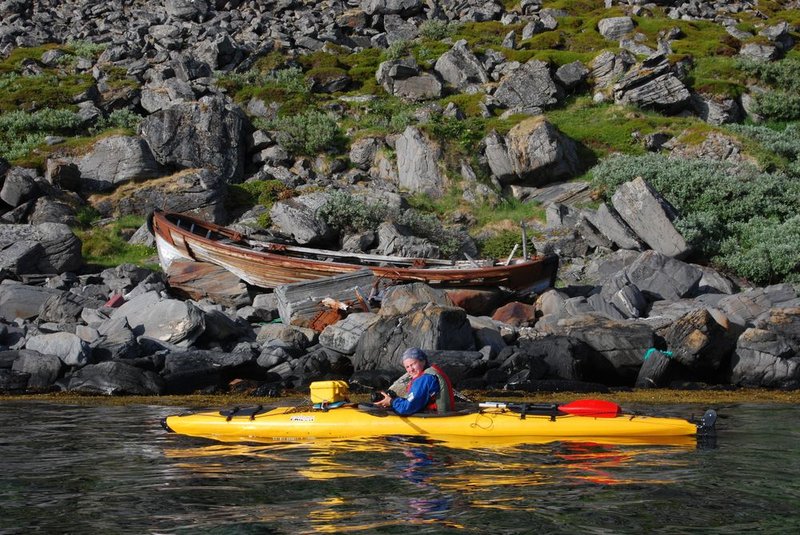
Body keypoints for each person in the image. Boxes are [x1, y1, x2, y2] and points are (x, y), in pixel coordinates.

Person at [373, 348, 455, 415]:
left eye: (413, 364)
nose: (410, 369)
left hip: (437, 419)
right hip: (441, 414)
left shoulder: (425, 379)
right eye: (407, 367)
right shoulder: (430, 372)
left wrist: (391, 402)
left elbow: (406, 408)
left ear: (423, 361)